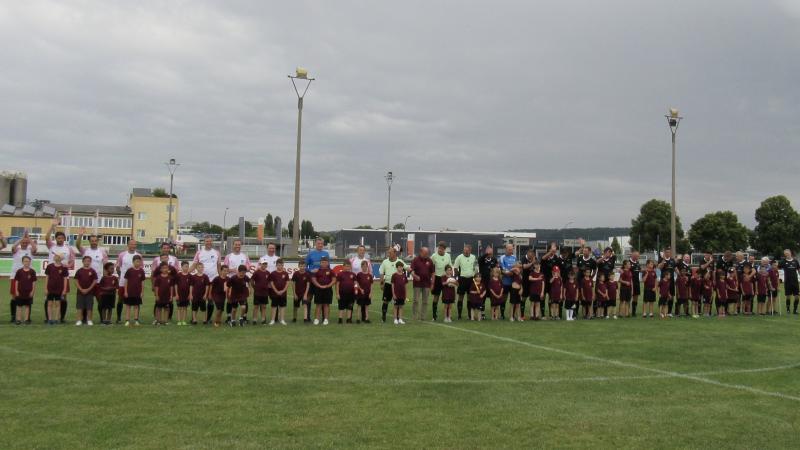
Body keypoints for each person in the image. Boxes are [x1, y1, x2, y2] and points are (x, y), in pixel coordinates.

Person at [46, 219, 77, 322]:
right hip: (51, 276)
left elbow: (72, 261)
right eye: (58, 238)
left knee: (63, 297)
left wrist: (67, 266)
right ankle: (49, 318)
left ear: (64, 239)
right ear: (56, 239)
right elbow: (46, 238)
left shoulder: (68, 249)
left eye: (62, 238)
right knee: (49, 298)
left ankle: (61, 318)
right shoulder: (51, 246)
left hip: (63, 277)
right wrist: (52, 226)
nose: (60, 239)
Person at [76, 227, 108, 319]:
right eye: (92, 240)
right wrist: (80, 235)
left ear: (98, 241)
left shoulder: (102, 252)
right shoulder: (85, 251)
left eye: (95, 240)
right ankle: (85, 319)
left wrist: (106, 279)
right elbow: (77, 245)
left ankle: (103, 319)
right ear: (89, 241)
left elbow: (105, 266)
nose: (94, 242)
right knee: (86, 301)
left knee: (101, 301)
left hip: (98, 282)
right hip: (86, 282)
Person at [9, 231, 37, 323]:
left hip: (28, 277)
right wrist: (22, 238)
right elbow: (13, 247)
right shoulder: (17, 250)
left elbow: (35, 248)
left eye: (26, 242)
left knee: (28, 297)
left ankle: (27, 318)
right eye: (23, 242)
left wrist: (28, 238)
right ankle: (14, 316)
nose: (24, 243)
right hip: (15, 276)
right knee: (14, 297)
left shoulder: (30, 251)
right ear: (20, 242)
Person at [192, 236, 221, 323]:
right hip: (201, 280)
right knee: (197, 299)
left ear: (212, 242)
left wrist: (221, 277)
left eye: (210, 241)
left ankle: (207, 319)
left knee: (210, 299)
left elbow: (219, 266)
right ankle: (194, 318)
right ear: (204, 242)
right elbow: (194, 265)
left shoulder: (217, 253)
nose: (208, 243)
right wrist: (184, 272)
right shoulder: (199, 253)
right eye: (207, 241)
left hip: (213, 280)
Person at [224, 240, 252, 324]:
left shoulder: (245, 256)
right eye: (236, 244)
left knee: (244, 299)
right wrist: (234, 270)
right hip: (232, 281)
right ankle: (229, 317)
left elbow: (249, 267)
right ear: (233, 245)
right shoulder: (228, 256)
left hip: (243, 282)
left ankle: (243, 317)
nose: (237, 246)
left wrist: (242, 271)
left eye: (239, 245)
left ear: (241, 246)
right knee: (229, 300)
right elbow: (225, 269)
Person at [115, 240, 141, 324]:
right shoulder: (122, 255)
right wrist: (121, 276)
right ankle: (119, 318)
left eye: (135, 244)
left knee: (136, 300)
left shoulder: (139, 255)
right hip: (123, 282)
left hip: (135, 283)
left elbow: (140, 268)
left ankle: (136, 319)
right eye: (131, 244)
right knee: (120, 299)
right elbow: (118, 267)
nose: (133, 246)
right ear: (128, 245)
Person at [378, 248, 406, 323]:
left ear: (395, 253)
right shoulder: (385, 262)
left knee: (397, 302)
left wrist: (413, 271)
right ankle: (383, 317)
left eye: (390, 253)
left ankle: (397, 318)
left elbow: (406, 267)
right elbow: (381, 272)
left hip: (397, 286)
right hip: (387, 284)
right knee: (385, 301)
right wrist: (381, 283)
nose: (388, 254)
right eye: (388, 253)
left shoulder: (399, 261)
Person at [410, 246, 435, 321]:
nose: (427, 254)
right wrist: (415, 276)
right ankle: (414, 316)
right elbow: (411, 271)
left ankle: (423, 317)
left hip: (427, 284)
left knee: (425, 301)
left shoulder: (430, 260)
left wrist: (432, 283)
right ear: (421, 252)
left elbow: (433, 272)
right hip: (417, 284)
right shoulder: (415, 260)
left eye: (427, 253)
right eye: (425, 253)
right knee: (416, 300)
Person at [453, 244, 477, 320]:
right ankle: (459, 315)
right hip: (462, 279)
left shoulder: (473, 257)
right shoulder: (459, 257)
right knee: (461, 297)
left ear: (470, 250)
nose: (466, 252)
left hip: (471, 279)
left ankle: (470, 315)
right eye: (465, 250)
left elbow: (475, 267)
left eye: (467, 250)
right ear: (463, 250)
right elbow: (455, 268)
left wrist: (475, 277)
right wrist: (456, 278)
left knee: (470, 297)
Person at [44, 253, 69, 325]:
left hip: (59, 289)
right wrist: (46, 288)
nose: (55, 257)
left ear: (61, 258)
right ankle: (50, 319)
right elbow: (47, 277)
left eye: (57, 256)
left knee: (58, 304)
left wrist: (64, 289)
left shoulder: (64, 268)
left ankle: (56, 319)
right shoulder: (50, 266)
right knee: (49, 304)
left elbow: (65, 279)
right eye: (55, 256)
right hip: (50, 288)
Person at [304, 238, 330, 305]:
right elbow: (305, 266)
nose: (320, 245)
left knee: (322, 300)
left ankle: (324, 316)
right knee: (309, 297)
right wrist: (311, 270)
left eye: (321, 243)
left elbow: (328, 267)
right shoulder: (310, 254)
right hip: (312, 278)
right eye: (318, 243)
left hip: (322, 279)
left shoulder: (326, 254)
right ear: (315, 244)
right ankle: (307, 315)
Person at [74, 255, 98, 326]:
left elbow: (95, 281)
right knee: (79, 306)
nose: (87, 263)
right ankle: (79, 320)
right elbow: (76, 280)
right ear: (83, 262)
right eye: (85, 261)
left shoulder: (92, 271)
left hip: (90, 292)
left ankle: (89, 320)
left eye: (88, 261)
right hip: (80, 292)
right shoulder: (79, 271)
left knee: (89, 307)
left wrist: (88, 289)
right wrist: (81, 289)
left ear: (90, 262)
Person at [430, 242, 452, 322]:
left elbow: (450, 267)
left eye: (442, 248)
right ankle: (434, 316)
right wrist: (431, 280)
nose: (440, 250)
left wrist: (451, 278)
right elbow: (431, 268)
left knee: (447, 297)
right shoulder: (434, 256)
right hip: (437, 278)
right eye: (439, 248)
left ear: (444, 249)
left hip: (446, 278)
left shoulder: (448, 256)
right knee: (436, 297)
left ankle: (447, 316)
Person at [123, 255, 146, 326]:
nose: (138, 263)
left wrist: (142, 292)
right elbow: (126, 281)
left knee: (136, 306)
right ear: (133, 262)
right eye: (136, 262)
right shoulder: (129, 270)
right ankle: (127, 320)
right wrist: (125, 291)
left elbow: (142, 282)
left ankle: (136, 320)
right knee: (128, 306)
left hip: (137, 293)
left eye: (139, 262)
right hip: (129, 292)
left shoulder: (141, 271)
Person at [13, 256, 36, 325]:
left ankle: (26, 319)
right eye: (25, 261)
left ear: (30, 262)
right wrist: (16, 290)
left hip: (28, 292)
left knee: (27, 306)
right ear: (22, 262)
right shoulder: (19, 271)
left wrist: (32, 291)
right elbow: (16, 281)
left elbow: (34, 282)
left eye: (28, 261)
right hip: (20, 291)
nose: (27, 263)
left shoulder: (32, 271)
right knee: (19, 306)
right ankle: (18, 319)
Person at [312, 257, 335, 325]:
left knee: (326, 305)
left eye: (325, 262)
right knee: (318, 304)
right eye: (322, 262)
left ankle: (326, 319)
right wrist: (319, 285)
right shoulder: (317, 270)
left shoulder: (331, 271)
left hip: (328, 289)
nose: (324, 263)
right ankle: (316, 319)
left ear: (328, 263)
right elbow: (313, 279)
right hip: (318, 289)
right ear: (320, 263)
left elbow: (334, 280)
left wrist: (328, 285)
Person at [498, 244, 517, 320]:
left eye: (512, 249)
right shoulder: (502, 258)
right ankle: (502, 315)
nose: (511, 251)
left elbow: (516, 267)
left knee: (513, 299)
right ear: (506, 249)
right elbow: (503, 269)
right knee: (504, 299)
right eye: (509, 249)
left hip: (513, 282)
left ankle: (512, 315)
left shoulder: (514, 257)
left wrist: (513, 271)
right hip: (505, 282)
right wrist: (510, 272)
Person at [268, 258, 290, 326]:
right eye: (278, 265)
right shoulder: (273, 273)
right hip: (275, 293)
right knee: (274, 306)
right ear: (276, 265)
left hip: (283, 293)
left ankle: (282, 320)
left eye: (281, 265)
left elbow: (287, 283)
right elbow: (271, 283)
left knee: (282, 306)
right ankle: (272, 320)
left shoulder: (285, 273)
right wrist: (276, 291)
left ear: (283, 265)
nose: (280, 266)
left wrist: (283, 290)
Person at [778, 249, 800, 314]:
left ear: (790, 253)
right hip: (787, 282)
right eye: (785, 254)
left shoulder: (795, 261)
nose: (787, 255)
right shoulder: (783, 261)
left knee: (797, 296)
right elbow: (777, 268)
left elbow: (798, 269)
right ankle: (788, 309)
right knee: (788, 296)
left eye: (787, 253)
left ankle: (795, 310)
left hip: (795, 282)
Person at [657, 248, 677, 317]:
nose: (668, 253)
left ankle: (669, 312)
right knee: (663, 297)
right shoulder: (661, 259)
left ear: (670, 253)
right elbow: (659, 267)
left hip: (671, 282)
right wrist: (663, 261)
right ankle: (661, 312)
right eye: (667, 252)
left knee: (671, 296)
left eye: (669, 252)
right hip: (664, 283)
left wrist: (679, 275)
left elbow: (675, 269)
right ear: (664, 253)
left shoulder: (672, 260)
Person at [174, 261, 193, 326]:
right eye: (185, 266)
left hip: (186, 295)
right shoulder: (178, 275)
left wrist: (190, 294)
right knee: (179, 308)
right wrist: (176, 294)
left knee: (185, 308)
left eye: (187, 266)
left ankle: (184, 320)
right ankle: (179, 321)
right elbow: (176, 285)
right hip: (179, 294)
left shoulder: (190, 276)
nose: (186, 268)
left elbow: (191, 286)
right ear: (181, 267)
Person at [627, 250, 642, 317]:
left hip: (637, 282)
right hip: (630, 283)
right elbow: (623, 270)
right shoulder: (628, 262)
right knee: (629, 297)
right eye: (637, 256)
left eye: (638, 256)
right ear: (633, 255)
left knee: (636, 297)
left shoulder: (638, 262)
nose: (638, 257)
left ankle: (633, 312)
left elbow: (640, 269)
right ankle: (627, 312)